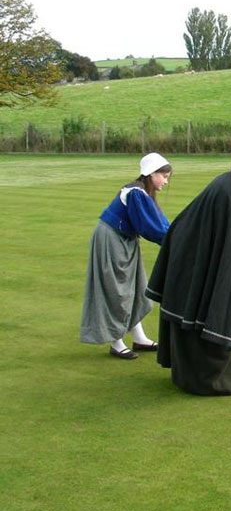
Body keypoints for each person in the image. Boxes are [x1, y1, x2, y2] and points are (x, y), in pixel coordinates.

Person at [146, 151, 231, 396]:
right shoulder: (227, 193)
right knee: (205, 305)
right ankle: (202, 379)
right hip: (193, 256)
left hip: (221, 255)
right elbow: (228, 241)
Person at [80, 153, 172, 359]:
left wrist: (175, 235)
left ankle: (138, 338)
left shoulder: (142, 194)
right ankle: (116, 341)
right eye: (163, 176)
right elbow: (151, 227)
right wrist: (173, 240)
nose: (166, 181)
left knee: (134, 286)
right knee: (116, 289)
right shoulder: (135, 193)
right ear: (151, 174)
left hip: (125, 240)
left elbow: (159, 223)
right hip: (111, 239)